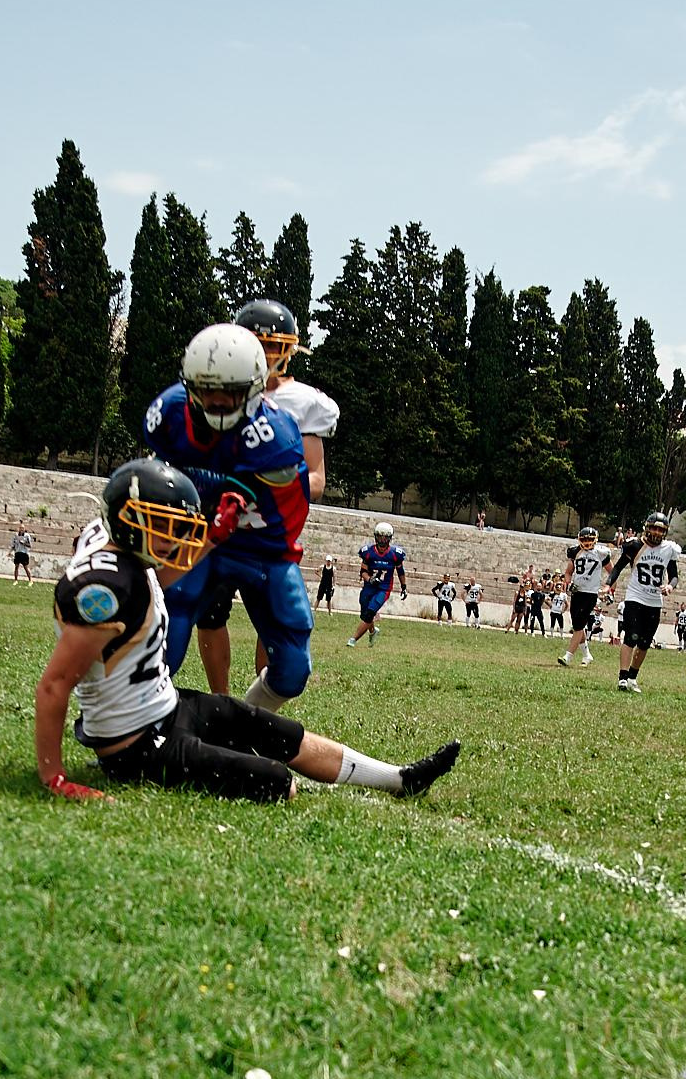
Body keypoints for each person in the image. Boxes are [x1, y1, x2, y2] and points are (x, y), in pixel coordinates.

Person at [36, 457, 459, 805]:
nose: (176, 538)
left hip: (165, 706)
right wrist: (55, 777)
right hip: (136, 743)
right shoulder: (102, 591)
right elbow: (55, 685)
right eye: (165, 526)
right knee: (277, 783)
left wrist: (213, 538)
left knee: (277, 732)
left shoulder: (114, 545)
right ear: (128, 520)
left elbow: (154, 579)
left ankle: (401, 780)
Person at [140, 323, 316, 709]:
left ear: (254, 388)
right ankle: (142, 718)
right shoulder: (169, 413)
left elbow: (263, 495)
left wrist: (229, 494)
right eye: (207, 390)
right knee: (167, 614)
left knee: (292, 664)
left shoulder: (277, 435)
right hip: (201, 535)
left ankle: (247, 724)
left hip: (264, 547)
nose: (218, 401)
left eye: (230, 392)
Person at [195, 299, 336, 699]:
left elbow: (317, 479)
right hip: (220, 525)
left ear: (289, 349)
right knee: (209, 614)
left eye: (274, 345)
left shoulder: (305, 402)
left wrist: (264, 485)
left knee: (272, 625)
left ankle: (256, 713)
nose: (266, 354)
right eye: (259, 344)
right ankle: (220, 701)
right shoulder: (219, 389)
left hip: (269, 531)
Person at [605, 511, 680, 693]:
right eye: (653, 527)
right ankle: (622, 677)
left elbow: (674, 576)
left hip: (654, 600)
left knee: (645, 643)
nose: (656, 532)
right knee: (630, 636)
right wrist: (608, 585)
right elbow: (617, 568)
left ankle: (632, 677)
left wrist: (670, 586)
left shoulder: (669, 549)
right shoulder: (635, 545)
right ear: (647, 528)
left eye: (660, 529)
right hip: (635, 596)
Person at [556, 526, 612, 667]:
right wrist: (567, 581)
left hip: (591, 593)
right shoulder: (575, 551)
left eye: (589, 539)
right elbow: (569, 572)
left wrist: (608, 588)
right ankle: (587, 655)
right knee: (577, 625)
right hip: (577, 591)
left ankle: (568, 656)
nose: (587, 542)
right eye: (584, 539)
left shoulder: (601, 552)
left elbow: (613, 572)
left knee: (580, 623)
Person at [345, 521, 406, 646]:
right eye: (380, 536)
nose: (382, 540)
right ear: (375, 536)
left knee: (370, 613)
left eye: (385, 537)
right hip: (369, 586)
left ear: (389, 538)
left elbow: (400, 571)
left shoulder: (395, 554)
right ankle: (372, 631)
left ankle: (353, 639)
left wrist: (404, 587)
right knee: (365, 613)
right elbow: (363, 571)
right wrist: (370, 579)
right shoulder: (368, 552)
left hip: (384, 589)